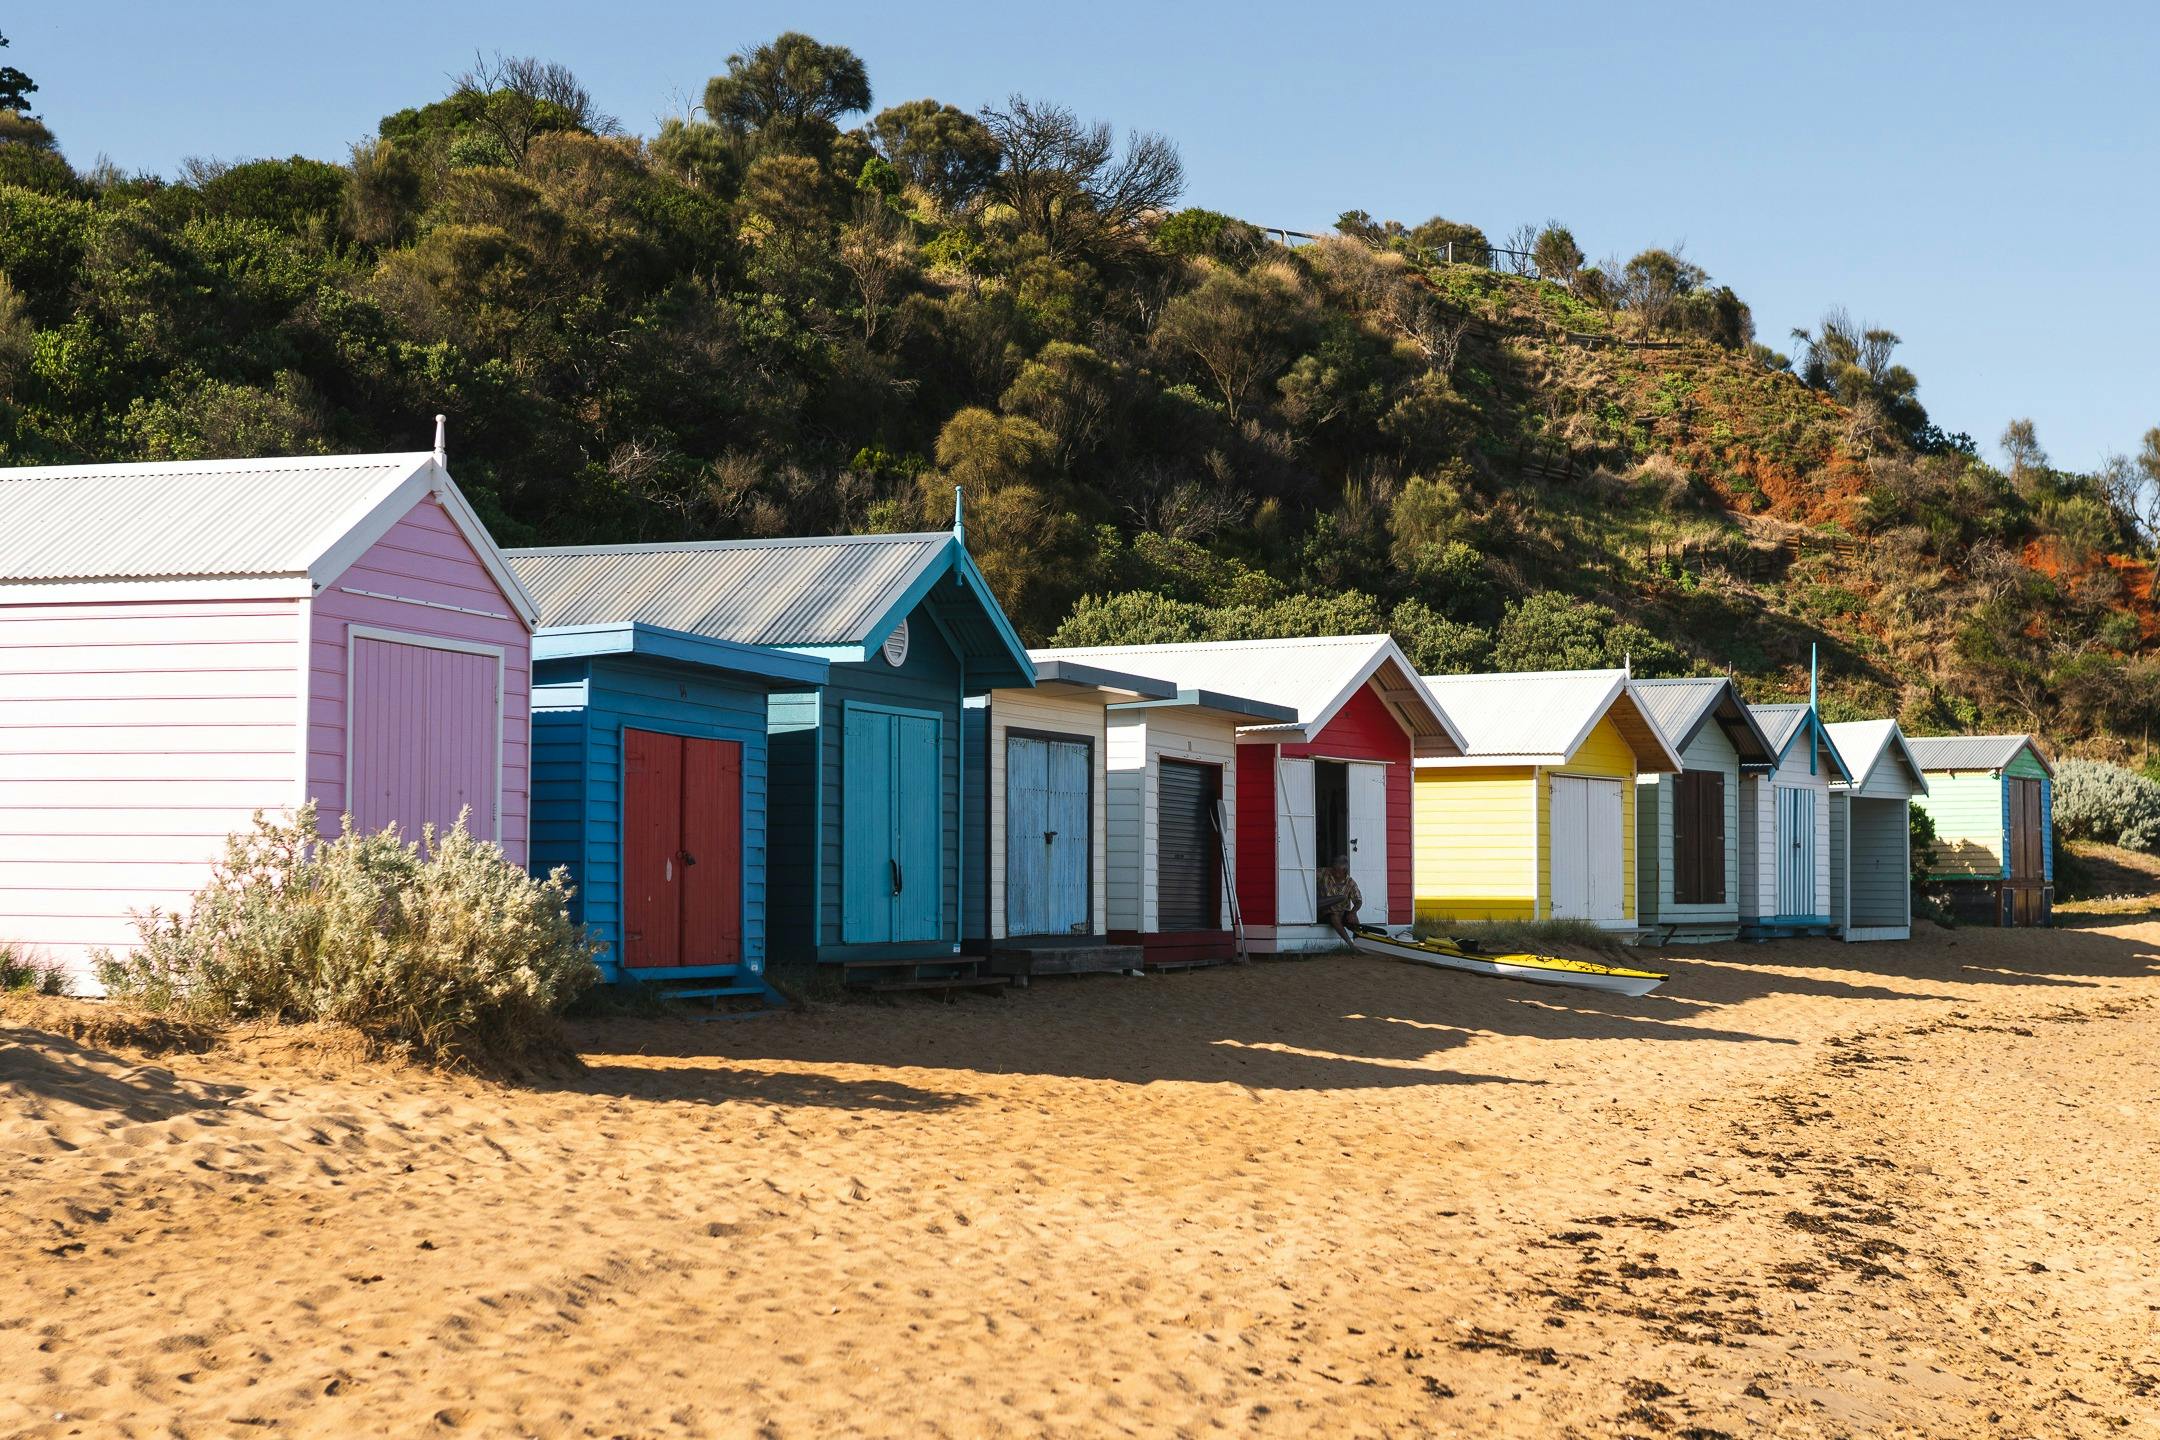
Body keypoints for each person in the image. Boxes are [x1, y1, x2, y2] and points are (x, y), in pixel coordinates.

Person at [1318, 855, 1362, 941]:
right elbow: (1308, 873)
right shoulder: (1324, 873)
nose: (1333, 871)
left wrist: (1353, 912)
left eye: (1336, 870)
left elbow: (1358, 901)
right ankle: (1350, 944)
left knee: (1354, 918)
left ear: (1344, 871)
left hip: (1342, 913)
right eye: (1333, 868)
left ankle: (1361, 941)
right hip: (1325, 913)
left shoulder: (1350, 882)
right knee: (1334, 916)